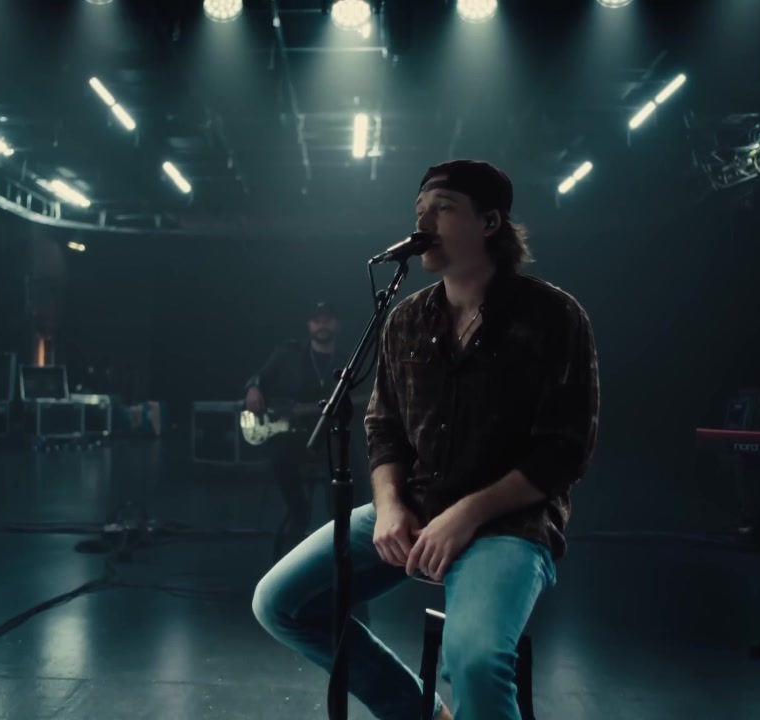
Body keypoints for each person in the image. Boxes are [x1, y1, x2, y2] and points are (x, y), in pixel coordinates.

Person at [251, 160, 599, 720]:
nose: (423, 223)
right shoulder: (405, 319)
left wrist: (465, 515)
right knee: (279, 603)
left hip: (507, 524)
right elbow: (383, 426)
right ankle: (421, 714)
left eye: (443, 209)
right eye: (419, 211)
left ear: (489, 223)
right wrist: (389, 505)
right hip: (414, 507)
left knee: (476, 661)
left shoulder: (554, 316)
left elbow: (566, 449)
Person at [244, 302, 364, 561]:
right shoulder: (288, 354)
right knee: (279, 459)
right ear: (309, 325)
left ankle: (339, 528)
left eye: (327, 319)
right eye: (317, 320)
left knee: (349, 463)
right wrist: (253, 388)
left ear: (337, 324)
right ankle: (298, 510)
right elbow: (259, 377)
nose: (322, 324)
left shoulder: (348, 361)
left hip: (330, 435)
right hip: (294, 435)